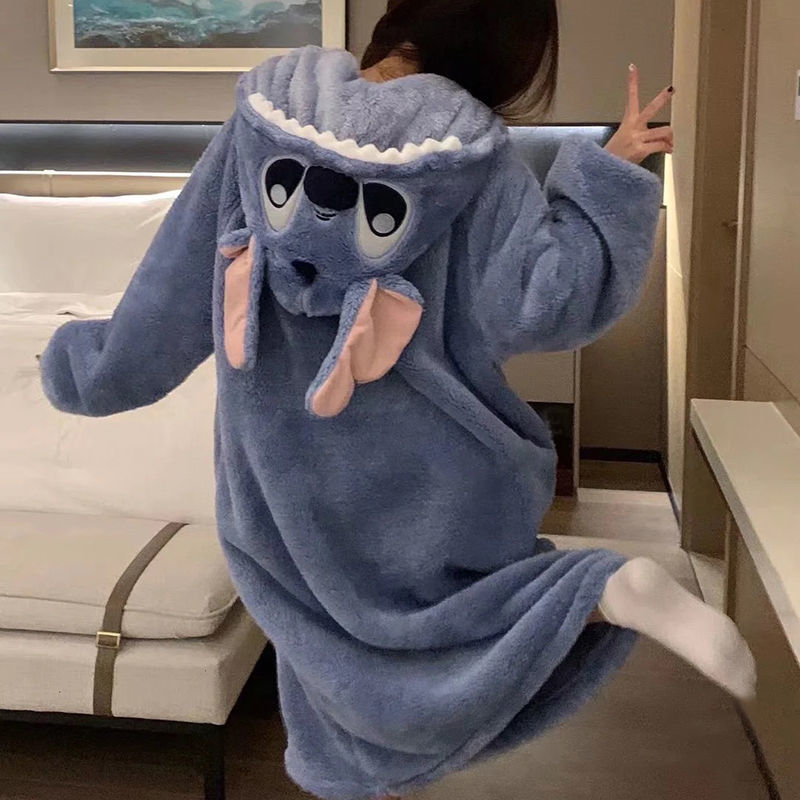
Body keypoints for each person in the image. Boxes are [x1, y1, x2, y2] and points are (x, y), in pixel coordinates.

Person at [39, 1, 756, 798]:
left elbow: (174, 288)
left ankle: (574, 608)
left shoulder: (263, 119)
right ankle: (592, 592)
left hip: (287, 468)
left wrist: (91, 369)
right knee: (444, 625)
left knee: (328, 649)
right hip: (434, 469)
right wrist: (607, 177)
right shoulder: (476, 156)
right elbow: (545, 303)